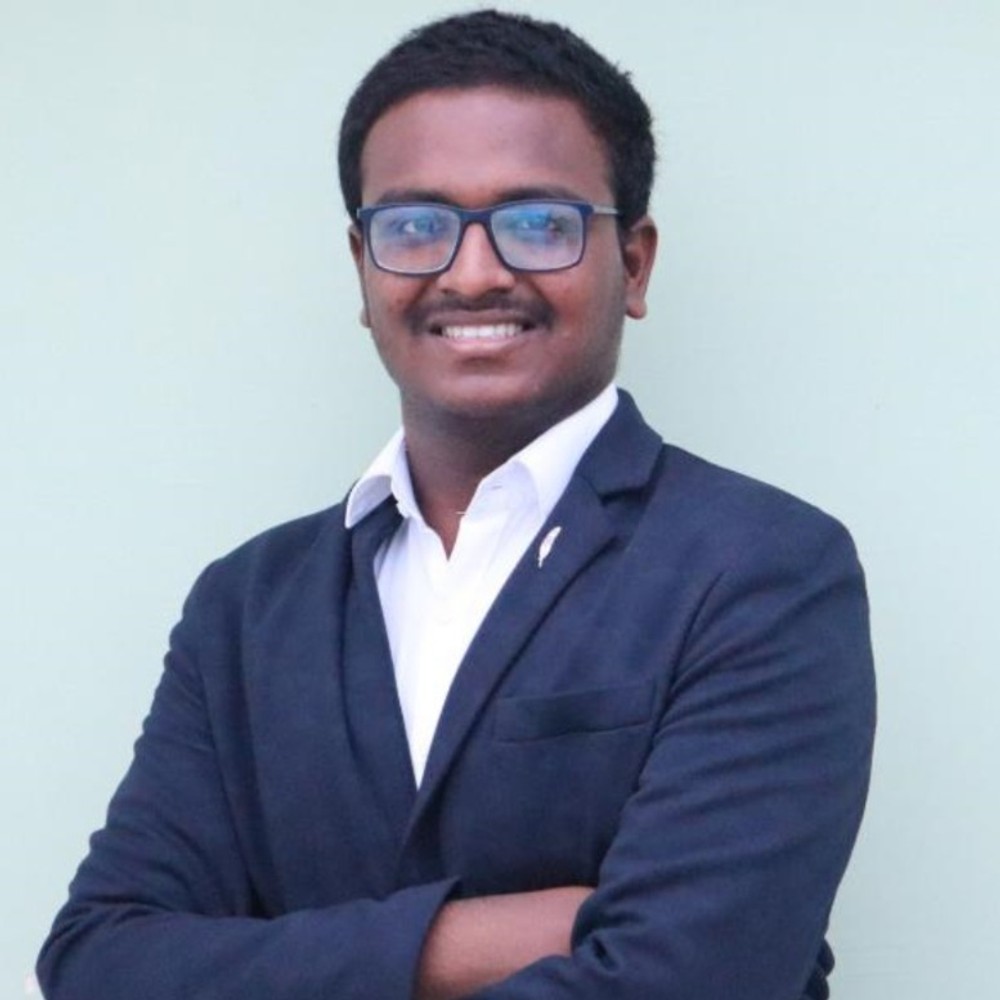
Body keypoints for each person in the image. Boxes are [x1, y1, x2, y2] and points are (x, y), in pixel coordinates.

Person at [37, 9, 875, 999]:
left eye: (538, 223)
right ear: (362, 268)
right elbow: (101, 961)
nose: (473, 274)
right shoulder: (247, 607)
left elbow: (686, 978)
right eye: (416, 226)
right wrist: (485, 936)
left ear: (634, 263)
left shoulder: (761, 569)